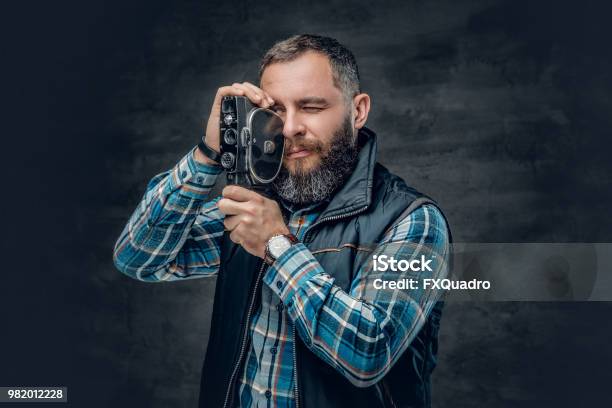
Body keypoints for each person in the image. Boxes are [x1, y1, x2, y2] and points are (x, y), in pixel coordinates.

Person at [113, 34, 451, 408]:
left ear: (358, 111)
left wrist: (278, 246)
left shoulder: (411, 220)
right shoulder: (258, 205)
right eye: (275, 111)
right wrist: (209, 152)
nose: (289, 129)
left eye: (310, 106)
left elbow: (367, 354)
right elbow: (139, 258)